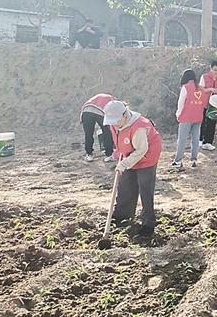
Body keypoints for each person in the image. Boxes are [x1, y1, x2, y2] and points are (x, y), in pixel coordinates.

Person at [103, 100, 161, 237]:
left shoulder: (139, 127)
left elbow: (141, 150)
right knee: (125, 185)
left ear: (125, 114)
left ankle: (148, 224)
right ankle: (122, 216)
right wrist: (120, 155)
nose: (114, 124)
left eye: (117, 121)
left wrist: (124, 163)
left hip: (147, 156)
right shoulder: (114, 124)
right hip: (128, 154)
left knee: (144, 188)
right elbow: (119, 141)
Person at [170, 69, 205, 168]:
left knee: (182, 139)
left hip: (186, 117)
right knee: (195, 139)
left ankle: (178, 161)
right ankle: (194, 159)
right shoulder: (201, 89)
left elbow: (181, 103)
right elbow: (203, 103)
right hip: (198, 117)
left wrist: (178, 114)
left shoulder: (185, 87)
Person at [79, 93, 116, 163]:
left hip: (86, 111)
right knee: (107, 132)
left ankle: (89, 155)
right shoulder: (113, 101)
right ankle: (109, 155)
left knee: (88, 134)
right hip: (100, 111)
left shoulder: (97, 97)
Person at [199, 60, 217, 151]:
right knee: (201, 122)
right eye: (215, 70)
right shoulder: (204, 77)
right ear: (211, 69)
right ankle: (199, 140)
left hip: (214, 105)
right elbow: (201, 89)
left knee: (212, 123)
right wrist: (210, 89)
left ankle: (208, 142)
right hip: (204, 103)